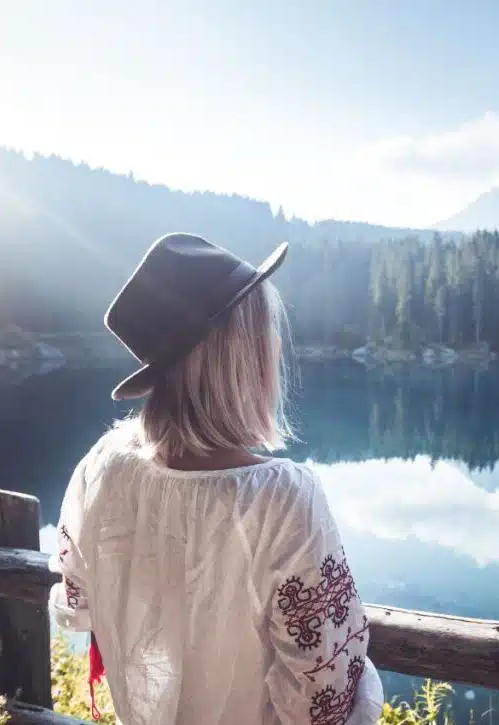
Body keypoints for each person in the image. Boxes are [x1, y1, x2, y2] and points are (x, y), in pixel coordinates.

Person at [48, 233, 384, 725]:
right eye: (265, 333)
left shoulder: (102, 466)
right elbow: (325, 699)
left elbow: (77, 604)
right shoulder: (284, 499)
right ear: (242, 356)